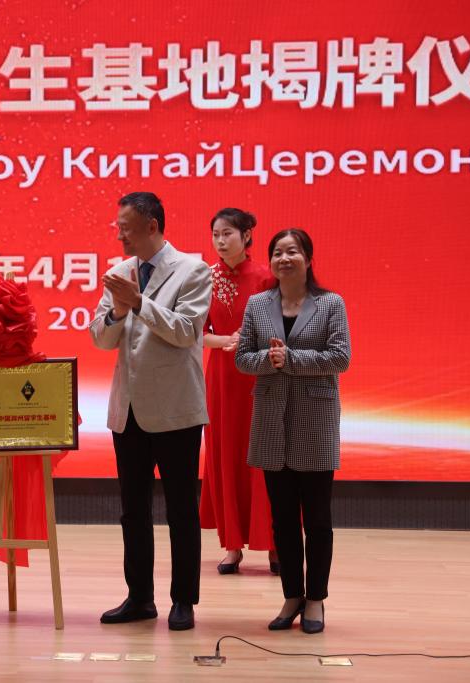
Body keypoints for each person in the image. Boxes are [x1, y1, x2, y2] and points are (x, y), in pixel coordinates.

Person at [89, 192, 212, 631]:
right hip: (129, 411)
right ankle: (139, 597)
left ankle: (183, 600)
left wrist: (139, 303)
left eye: (125, 227)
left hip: (176, 410)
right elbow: (100, 338)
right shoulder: (121, 273)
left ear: (152, 225)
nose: (119, 235)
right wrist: (117, 311)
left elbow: (186, 332)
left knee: (181, 510)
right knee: (133, 510)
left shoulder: (193, 269)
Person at [235, 228, 351, 634]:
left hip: (314, 422)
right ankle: (291, 596)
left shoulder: (330, 303)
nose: (284, 259)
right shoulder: (257, 304)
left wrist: (292, 359)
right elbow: (243, 358)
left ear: (308, 258)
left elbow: (340, 357)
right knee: (282, 522)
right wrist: (269, 360)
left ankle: (315, 599)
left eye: (293, 252)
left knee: (317, 520)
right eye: (277, 253)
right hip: (271, 422)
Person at [199, 208, 278, 575]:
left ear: (246, 236)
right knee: (225, 454)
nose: (220, 240)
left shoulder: (266, 277)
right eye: (216, 234)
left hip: (258, 375)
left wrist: (249, 341)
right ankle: (232, 546)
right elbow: (195, 332)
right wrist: (225, 340)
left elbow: (280, 327)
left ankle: (275, 544)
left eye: (227, 233)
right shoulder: (204, 278)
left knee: (265, 456)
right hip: (220, 377)